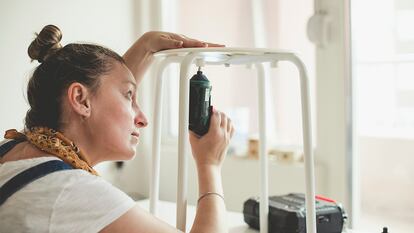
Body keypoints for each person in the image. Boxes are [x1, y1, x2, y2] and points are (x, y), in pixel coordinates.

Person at [0, 25, 234, 233]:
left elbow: (100, 96)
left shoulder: (13, 150)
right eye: (129, 96)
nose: (142, 119)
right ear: (80, 100)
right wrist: (209, 164)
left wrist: (146, 46)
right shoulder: (72, 192)